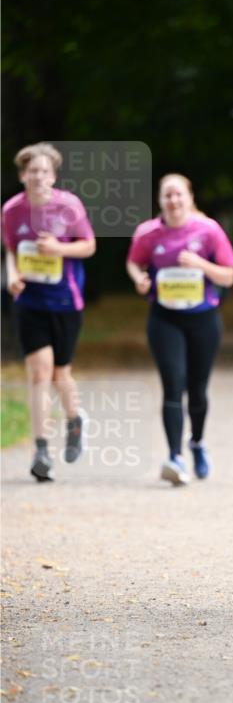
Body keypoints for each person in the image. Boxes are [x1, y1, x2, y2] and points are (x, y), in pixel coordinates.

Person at [126, 174, 233, 485]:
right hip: (164, 318)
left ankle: (197, 443)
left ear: (189, 198)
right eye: (167, 196)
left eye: (178, 195)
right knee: (172, 383)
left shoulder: (208, 230)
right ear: (159, 201)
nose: (173, 201)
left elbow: (228, 276)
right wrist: (139, 278)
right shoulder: (148, 233)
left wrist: (201, 265)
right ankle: (174, 457)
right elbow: (134, 263)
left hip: (203, 318)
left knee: (198, 390)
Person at [2, 142, 96, 481]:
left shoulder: (68, 206)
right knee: (39, 373)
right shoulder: (12, 210)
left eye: (44, 170)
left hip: (65, 301)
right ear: (23, 175)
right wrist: (12, 276)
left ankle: (74, 419)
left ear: (53, 175)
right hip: (29, 302)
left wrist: (58, 248)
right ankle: (41, 449)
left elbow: (88, 245)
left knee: (60, 373)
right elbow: (11, 249)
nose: (38, 176)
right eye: (32, 170)